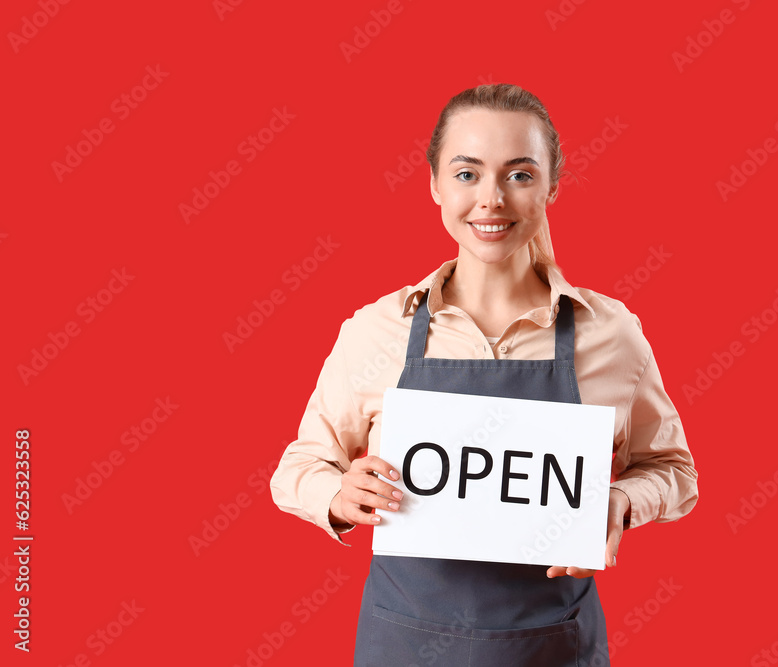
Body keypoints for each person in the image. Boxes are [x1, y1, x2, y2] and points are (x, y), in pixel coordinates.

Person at [269, 83, 698, 666]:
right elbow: (298, 467)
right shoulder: (377, 331)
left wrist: (619, 500)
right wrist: (340, 495)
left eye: (519, 175)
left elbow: (674, 471)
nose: (491, 199)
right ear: (435, 186)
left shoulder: (610, 334)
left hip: (551, 647)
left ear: (551, 186)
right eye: (467, 174)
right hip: (405, 646)